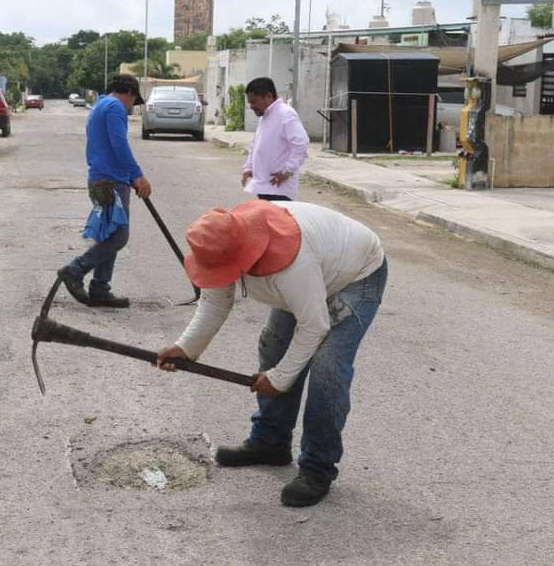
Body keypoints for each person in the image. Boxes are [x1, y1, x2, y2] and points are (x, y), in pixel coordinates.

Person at [155, 200, 387, 507]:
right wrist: (186, 348)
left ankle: (318, 468)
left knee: (327, 369)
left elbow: (314, 325)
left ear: (243, 255)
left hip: (355, 275)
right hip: (313, 275)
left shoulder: (291, 263)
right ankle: (271, 443)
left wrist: (279, 379)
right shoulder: (222, 244)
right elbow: (214, 302)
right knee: (273, 346)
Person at [58, 74, 152, 308]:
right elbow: (119, 144)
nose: (132, 106)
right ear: (129, 92)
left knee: (109, 233)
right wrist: (137, 175)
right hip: (111, 180)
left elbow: (109, 145)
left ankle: (100, 288)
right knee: (119, 235)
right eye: (133, 100)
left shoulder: (101, 104)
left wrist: (130, 176)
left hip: (103, 177)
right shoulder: (115, 107)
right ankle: (75, 269)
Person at [241, 78, 309, 202]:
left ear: (268, 96)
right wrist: (248, 168)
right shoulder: (265, 116)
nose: (251, 106)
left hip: (279, 188)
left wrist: (286, 172)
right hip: (264, 186)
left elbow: (301, 144)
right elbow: (256, 145)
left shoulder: (286, 114)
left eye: (254, 102)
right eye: (250, 102)